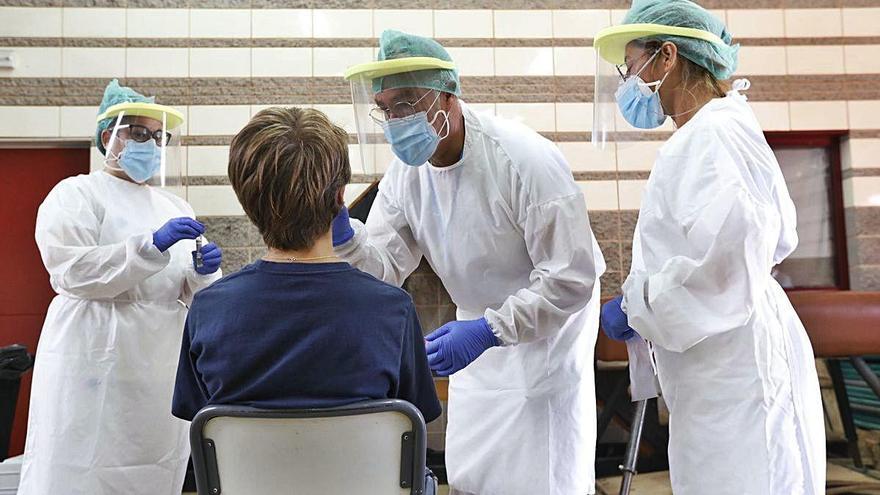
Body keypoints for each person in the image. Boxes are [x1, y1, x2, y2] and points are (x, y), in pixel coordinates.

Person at [334, 30, 606, 495]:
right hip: (476, 334)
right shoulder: (405, 173)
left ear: (446, 94)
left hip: (545, 338)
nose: (395, 120)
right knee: (472, 475)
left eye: (406, 104)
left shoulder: (521, 158)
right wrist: (340, 230)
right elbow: (383, 267)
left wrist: (489, 330)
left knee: (538, 476)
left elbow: (571, 277)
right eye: (386, 108)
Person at [594, 1, 825, 494]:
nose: (627, 81)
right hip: (718, 362)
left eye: (632, 64)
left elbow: (727, 260)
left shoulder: (712, 134)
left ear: (667, 58)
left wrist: (638, 303)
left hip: (737, 366)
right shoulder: (708, 131)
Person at [171, 107, 442, 492]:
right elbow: (414, 421)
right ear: (339, 198)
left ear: (246, 199)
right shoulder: (391, 310)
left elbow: (200, 419)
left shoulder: (209, 309)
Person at [18, 79, 223, 495]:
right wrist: (149, 247)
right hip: (92, 359)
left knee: (154, 465)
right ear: (108, 136)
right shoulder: (76, 194)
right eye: (139, 133)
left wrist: (204, 274)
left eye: (157, 136)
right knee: (81, 468)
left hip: (157, 367)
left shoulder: (174, 206)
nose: (150, 143)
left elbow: (194, 297)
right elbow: (72, 271)